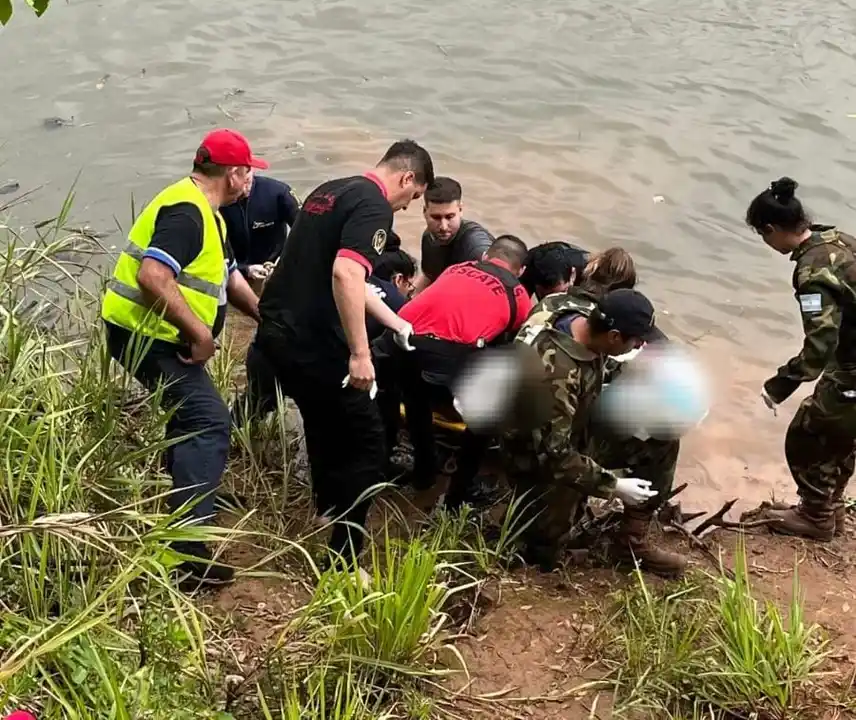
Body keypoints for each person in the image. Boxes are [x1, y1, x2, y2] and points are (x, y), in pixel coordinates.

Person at [246, 139, 434, 567]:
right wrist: (360, 354)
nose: (407, 207)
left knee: (322, 424)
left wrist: (396, 322)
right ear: (407, 178)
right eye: (414, 196)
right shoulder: (374, 206)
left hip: (276, 332)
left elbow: (344, 276)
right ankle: (344, 558)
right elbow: (346, 274)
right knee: (368, 444)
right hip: (313, 343)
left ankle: (327, 506)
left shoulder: (330, 191)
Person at [101, 128, 266, 588]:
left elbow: (227, 276)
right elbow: (153, 275)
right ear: (233, 174)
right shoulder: (186, 213)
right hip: (142, 334)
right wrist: (200, 335)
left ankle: (191, 492)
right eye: (249, 172)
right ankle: (187, 553)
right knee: (209, 420)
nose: (252, 181)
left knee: (189, 416)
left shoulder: (210, 214)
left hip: (153, 333)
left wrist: (262, 315)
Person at [503, 288, 662, 572]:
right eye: (635, 341)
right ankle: (535, 548)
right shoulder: (556, 374)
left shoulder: (567, 309)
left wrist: (626, 369)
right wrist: (614, 486)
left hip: (569, 423)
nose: (638, 346)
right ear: (614, 336)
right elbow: (555, 456)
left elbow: (592, 367)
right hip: (532, 451)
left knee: (660, 432)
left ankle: (631, 541)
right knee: (546, 544)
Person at [383, 235, 532, 507]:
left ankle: (424, 473)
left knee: (417, 403)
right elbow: (514, 338)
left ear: (486, 256)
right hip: (450, 359)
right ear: (520, 271)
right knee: (486, 418)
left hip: (399, 341)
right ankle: (458, 495)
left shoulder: (456, 268)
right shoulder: (518, 294)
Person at [748, 177, 856, 541]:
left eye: (764, 237)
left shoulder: (812, 273)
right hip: (850, 361)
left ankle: (816, 516)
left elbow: (818, 348)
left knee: (807, 433)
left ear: (771, 229)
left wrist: (778, 386)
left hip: (852, 367)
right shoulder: (837, 240)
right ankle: (831, 508)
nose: (767, 243)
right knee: (841, 431)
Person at [413, 177, 494, 294]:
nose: (443, 226)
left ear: (460, 209)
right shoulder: (429, 237)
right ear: (425, 211)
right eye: (436, 217)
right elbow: (429, 277)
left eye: (449, 217)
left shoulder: (475, 243)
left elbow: (497, 282)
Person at [220, 172, 301, 284]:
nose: (244, 189)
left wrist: (287, 263)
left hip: (274, 268)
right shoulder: (217, 200)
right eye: (239, 183)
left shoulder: (278, 192)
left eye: (247, 180)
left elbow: (306, 231)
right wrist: (245, 269)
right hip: (233, 270)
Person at [366, 247, 417, 341]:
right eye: (409, 285)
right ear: (399, 279)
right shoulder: (398, 305)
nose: (409, 294)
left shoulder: (358, 280)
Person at [520, 241, 590, 299]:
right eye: (545, 296)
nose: (553, 300)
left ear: (573, 275)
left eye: (561, 293)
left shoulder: (589, 272)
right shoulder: (527, 267)